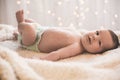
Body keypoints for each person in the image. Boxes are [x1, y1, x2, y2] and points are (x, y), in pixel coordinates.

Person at [15, 10, 119, 61]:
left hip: (34, 42)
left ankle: (20, 23)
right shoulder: (78, 33)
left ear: (98, 53)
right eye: (97, 33)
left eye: (99, 42)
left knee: (28, 28)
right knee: (31, 22)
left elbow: (58, 54)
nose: (95, 37)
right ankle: (19, 33)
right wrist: (40, 27)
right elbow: (57, 30)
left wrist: (42, 60)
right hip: (41, 31)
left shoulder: (77, 47)